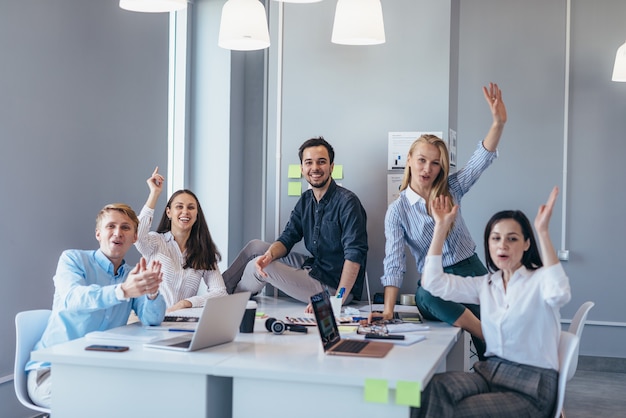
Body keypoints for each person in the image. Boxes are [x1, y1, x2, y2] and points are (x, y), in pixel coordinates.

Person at [415, 187, 571, 417]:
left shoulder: (539, 280)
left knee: (458, 412)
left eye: (512, 239)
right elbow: (433, 284)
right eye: (495, 238)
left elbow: (560, 293)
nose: (502, 245)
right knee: (432, 389)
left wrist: (543, 232)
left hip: (531, 386)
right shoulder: (486, 284)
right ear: (488, 244)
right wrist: (440, 228)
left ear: (527, 244)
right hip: (490, 373)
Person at [379, 82, 507, 358]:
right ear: (409, 159)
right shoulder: (397, 211)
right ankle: (485, 336)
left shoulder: (452, 188)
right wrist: (388, 310)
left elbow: (479, 161)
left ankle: (496, 365)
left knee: (505, 327)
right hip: (434, 281)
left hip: (470, 270)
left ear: (442, 167)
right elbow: (393, 263)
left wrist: (498, 122)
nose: (427, 169)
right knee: (425, 295)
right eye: (422, 160)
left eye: (435, 163)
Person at [26, 203, 166, 408]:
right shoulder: (73, 259)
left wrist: (152, 292)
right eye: (111, 226)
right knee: (104, 404)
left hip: (100, 369)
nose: (118, 233)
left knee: (149, 395)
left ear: (135, 237)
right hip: (53, 371)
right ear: (98, 234)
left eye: (125, 228)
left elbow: (151, 320)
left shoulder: (131, 275)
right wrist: (122, 291)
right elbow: (72, 298)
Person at [223, 136, 368, 312]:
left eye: (321, 162)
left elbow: (354, 257)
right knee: (256, 248)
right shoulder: (306, 200)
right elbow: (288, 237)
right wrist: (270, 254)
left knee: (261, 267)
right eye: (309, 162)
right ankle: (220, 292)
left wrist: (337, 300)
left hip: (333, 286)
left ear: (331, 167)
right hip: (315, 267)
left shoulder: (347, 203)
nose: (315, 168)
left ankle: (229, 305)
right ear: (302, 168)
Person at [135, 167, 228, 312]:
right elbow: (138, 236)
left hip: (181, 320)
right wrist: (155, 193)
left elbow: (220, 293)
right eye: (179, 207)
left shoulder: (204, 251)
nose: (185, 211)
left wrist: (186, 303)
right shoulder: (155, 242)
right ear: (169, 212)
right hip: (150, 318)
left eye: (191, 207)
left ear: (197, 215)